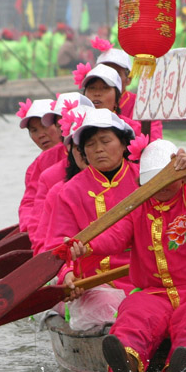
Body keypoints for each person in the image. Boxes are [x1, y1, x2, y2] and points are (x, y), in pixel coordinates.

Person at [67, 140, 186, 372]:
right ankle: (127, 365)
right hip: (155, 293)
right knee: (134, 312)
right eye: (152, 182)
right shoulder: (137, 205)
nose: (159, 187)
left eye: (165, 179)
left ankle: (179, 369)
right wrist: (86, 246)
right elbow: (114, 236)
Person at [48, 108, 140, 328]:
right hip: (91, 283)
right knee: (104, 305)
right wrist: (67, 275)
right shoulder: (69, 191)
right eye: (90, 145)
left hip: (145, 279)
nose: (99, 149)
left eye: (106, 141)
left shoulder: (144, 180)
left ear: (124, 143)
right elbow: (57, 245)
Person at [17, 94, 92, 234]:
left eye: (45, 127)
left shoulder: (107, 152)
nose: (41, 135)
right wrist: (30, 230)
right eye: (34, 130)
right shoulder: (41, 166)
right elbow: (30, 203)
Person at [95, 45, 163, 139]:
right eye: (104, 72)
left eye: (116, 73)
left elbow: (154, 141)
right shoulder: (86, 103)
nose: (109, 77)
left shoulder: (145, 105)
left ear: (128, 79)